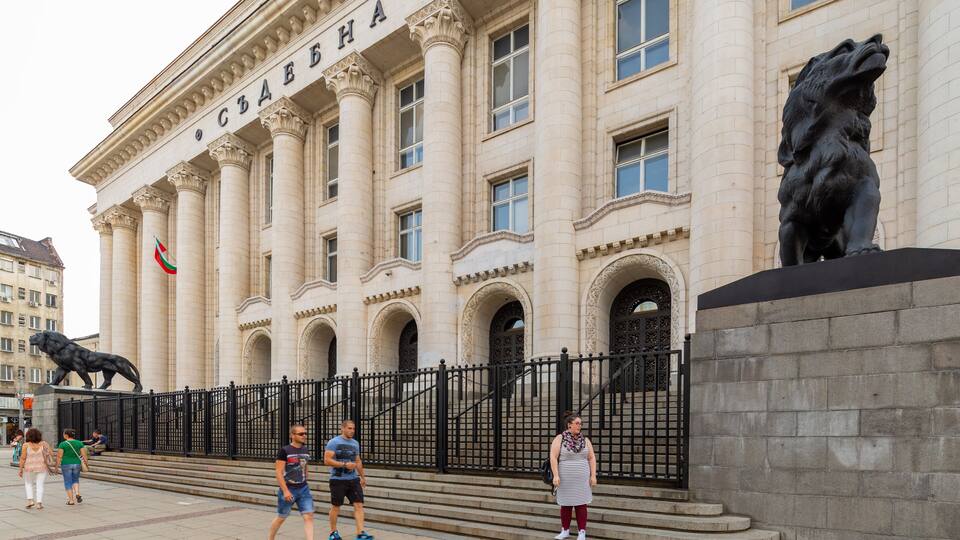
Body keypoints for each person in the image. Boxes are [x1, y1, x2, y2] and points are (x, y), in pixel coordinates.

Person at [549, 412, 597, 540]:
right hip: (565, 478)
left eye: (580, 424)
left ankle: (582, 532)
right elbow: (553, 457)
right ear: (569, 425)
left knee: (581, 505)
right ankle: (565, 530)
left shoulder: (585, 440)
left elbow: (591, 457)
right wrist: (555, 475)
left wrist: (593, 475)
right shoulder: (560, 438)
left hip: (582, 478)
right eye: (577, 423)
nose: (579, 426)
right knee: (566, 504)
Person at [324, 420, 372, 540]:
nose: (352, 431)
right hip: (337, 479)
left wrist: (362, 476)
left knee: (359, 504)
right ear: (342, 428)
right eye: (349, 428)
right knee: (336, 506)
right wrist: (344, 464)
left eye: (353, 429)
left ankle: (360, 533)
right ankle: (333, 532)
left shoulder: (355, 443)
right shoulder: (333, 442)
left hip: (353, 479)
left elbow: (358, 461)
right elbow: (327, 460)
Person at [269, 424, 315, 540]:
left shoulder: (305, 449)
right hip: (289, 489)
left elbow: (305, 466)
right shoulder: (285, 451)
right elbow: (278, 472)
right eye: (301, 434)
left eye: (305, 433)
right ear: (292, 435)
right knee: (281, 517)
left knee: (308, 516)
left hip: (304, 489)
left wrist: (305, 478)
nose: (304, 436)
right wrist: (285, 491)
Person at [18, 428, 54, 510]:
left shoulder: (26, 445)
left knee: (28, 484)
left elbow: (23, 458)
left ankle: (30, 501)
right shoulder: (43, 444)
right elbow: (51, 453)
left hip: (28, 468)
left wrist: (20, 469)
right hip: (42, 467)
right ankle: (39, 503)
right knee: (40, 485)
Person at [56, 428, 88, 505]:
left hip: (66, 464)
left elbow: (59, 456)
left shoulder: (62, 444)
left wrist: (56, 466)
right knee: (75, 480)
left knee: (68, 482)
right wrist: (86, 463)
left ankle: (71, 500)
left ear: (66, 435)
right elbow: (84, 455)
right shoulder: (79, 443)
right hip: (77, 463)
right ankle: (77, 493)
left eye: (63, 434)